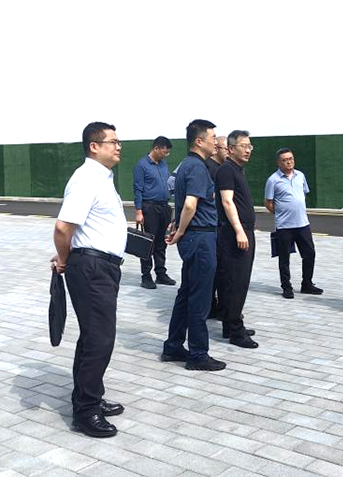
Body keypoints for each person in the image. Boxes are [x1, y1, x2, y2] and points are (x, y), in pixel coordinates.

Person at [51, 122, 128, 438]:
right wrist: (64, 258)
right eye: (113, 141)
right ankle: (86, 412)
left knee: (93, 337)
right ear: (94, 146)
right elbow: (62, 228)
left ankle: (89, 395)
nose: (118, 146)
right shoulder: (86, 179)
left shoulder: (102, 178)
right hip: (92, 269)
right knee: (100, 339)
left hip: (102, 267)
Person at [160, 119, 226, 371]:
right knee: (200, 299)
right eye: (213, 138)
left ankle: (173, 346)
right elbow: (189, 204)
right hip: (200, 239)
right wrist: (180, 231)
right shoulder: (197, 167)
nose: (216, 143)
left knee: (187, 293)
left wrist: (179, 229)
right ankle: (198, 354)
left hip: (193, 237)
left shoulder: (185, 165)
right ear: (199, 141)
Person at [216, 130, 258, 349]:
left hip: (242, 231)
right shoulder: (226, 170)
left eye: (250, 146)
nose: (248, 150)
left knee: (236, 280)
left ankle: (230, 324)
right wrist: (239, 230)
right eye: (244, 146)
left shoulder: (237, 170)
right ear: (231, 149)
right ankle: (235, 330)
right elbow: (227, 201)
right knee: (236, 282)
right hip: (234, 234)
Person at [265, 147, 323, 299]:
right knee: (284, 258)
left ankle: (307, 284)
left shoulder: (300, 176)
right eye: (284, 160)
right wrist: (281, 214)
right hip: (284, 226)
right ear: (279, 163)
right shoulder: (273, 180)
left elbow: (303, 194)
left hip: (303, 224)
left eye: (290, 158)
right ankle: (286, 287)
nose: (289, 162)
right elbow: (268, 203)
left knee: (309, 254)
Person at [133, 136, 176, 289]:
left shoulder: (163, 164)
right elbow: (138, 189)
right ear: (156, 148)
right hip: (149, 207)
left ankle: (161, 273)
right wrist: (139, 212)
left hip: (164, 207)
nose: (166, 155)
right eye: (164, 152)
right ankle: (146, 276)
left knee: (161, 243)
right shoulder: (142, 165)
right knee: (148, 243)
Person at [207, 135, 229, 320]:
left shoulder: (225, 168)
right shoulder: (208, 168)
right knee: (216, 270)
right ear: (216, 149)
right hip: (213, 225)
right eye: (225, 148)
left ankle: (218, 305)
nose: (228, 152)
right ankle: (213, 306)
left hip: (221, 225)